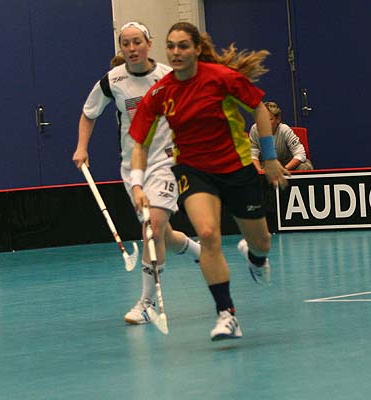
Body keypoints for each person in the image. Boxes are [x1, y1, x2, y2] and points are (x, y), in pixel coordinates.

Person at [129, 22, 289, 341]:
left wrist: (270, 158)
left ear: (197, 49)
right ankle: (226, 314)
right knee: (207, 233)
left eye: (183, 46)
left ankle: (255, 257)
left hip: (236, 167)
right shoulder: (161, 93)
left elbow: (258, 108)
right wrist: (136, 184)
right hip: (193, 170)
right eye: (171, 46)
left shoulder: (221, 78)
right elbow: (140, 144)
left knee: (262, 242)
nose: (176, 52)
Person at [72, 21, 200, 326]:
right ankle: (201, 251)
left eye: (137, 42)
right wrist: (81, 148)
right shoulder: (112, 80)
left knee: (152, 229)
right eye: (126, 43)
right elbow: (89, 113)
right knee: (163, 234)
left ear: (149, 44)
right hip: (133, 169)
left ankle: (146, 303)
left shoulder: (169, 76)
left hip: (166, 163)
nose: (131, 49)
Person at [249, 101, 314, 172]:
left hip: (287, 164)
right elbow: (253, 154)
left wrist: (284, 169)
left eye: (269, 119)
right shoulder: (255, 129)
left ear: (278, 119)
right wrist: (259, 171)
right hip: (266, 165)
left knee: (305, 166)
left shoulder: (285, 130)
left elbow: (300, 154)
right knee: (249, 169)